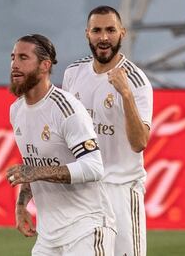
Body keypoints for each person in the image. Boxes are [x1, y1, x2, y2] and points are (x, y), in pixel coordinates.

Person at [6, 34, 116, 255]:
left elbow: (94, 167)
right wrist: (21, 205)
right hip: (49, 237)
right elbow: (32, 165)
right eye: (13, 57)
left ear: (44, 65)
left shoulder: (66, 108)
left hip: (86, 229)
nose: (14, 65)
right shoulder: (16, 111)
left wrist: (35, 172)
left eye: (23, 58)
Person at [62, 6, 153, 256]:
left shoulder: (136, 81)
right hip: (84, 191)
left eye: (110, 30)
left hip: (120, 190)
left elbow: (139, 143)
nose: (104, 37)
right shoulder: (73, 73)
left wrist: (125, 94)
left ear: (122, 33)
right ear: (87, 34)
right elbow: (66, 134)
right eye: (97, 30)